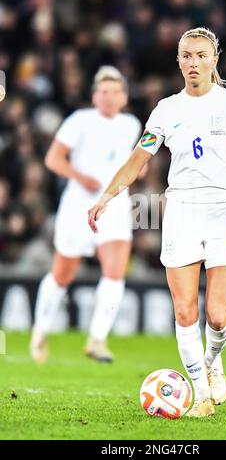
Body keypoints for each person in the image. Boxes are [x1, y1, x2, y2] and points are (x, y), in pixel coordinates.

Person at [88, 27, 226, 417]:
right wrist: (106, 196)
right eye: (186, 56)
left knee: (218, 317)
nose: (193, 63)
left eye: (200, 55)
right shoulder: (166, 110)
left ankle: (212, 361)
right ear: (178, 61)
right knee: (185, 312)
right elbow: (137, 161)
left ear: (214, 60)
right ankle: (200, 394)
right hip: (182, 214)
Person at [30, 66, 142, 364]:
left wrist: (136, 172)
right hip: (79, 204)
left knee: (115, 272)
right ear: (94, 96)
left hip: (116, 205)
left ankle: (97, 339)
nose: (108, 97)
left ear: (124, 97)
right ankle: (40, 331)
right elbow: (53, 159)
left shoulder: (131, 124)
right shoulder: (79, 121)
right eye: (103, 92)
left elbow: (136, 161)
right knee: (62, 274)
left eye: (114, 92)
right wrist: (80, 177)